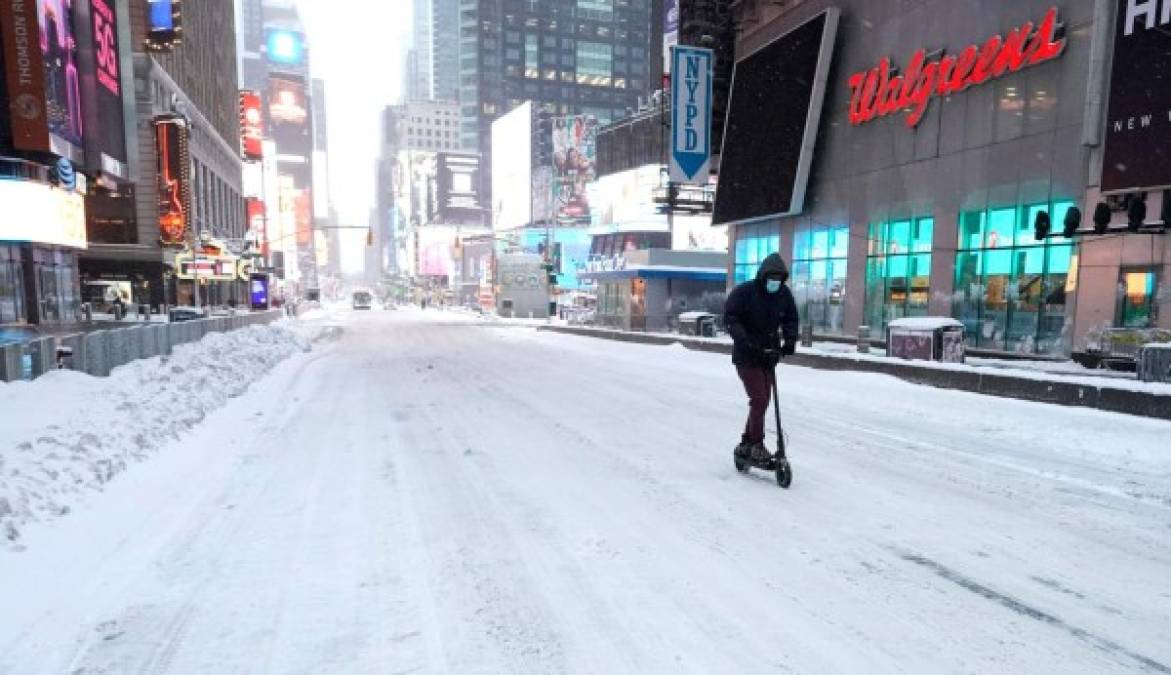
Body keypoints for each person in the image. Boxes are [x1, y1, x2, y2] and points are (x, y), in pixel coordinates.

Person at [723, 253, 799, 463]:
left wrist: (790, 341)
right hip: (747, 356)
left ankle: (747, 442)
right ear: (763, 276)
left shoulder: (783, 294)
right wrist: (745, 340)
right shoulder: (746, 292)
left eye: (778, 280)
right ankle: (756, 444)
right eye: (771, 279)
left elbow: (791, 318)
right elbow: (730, 318)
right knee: (759, 399)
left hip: (768, 356)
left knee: (763, 401)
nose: (774, 283)